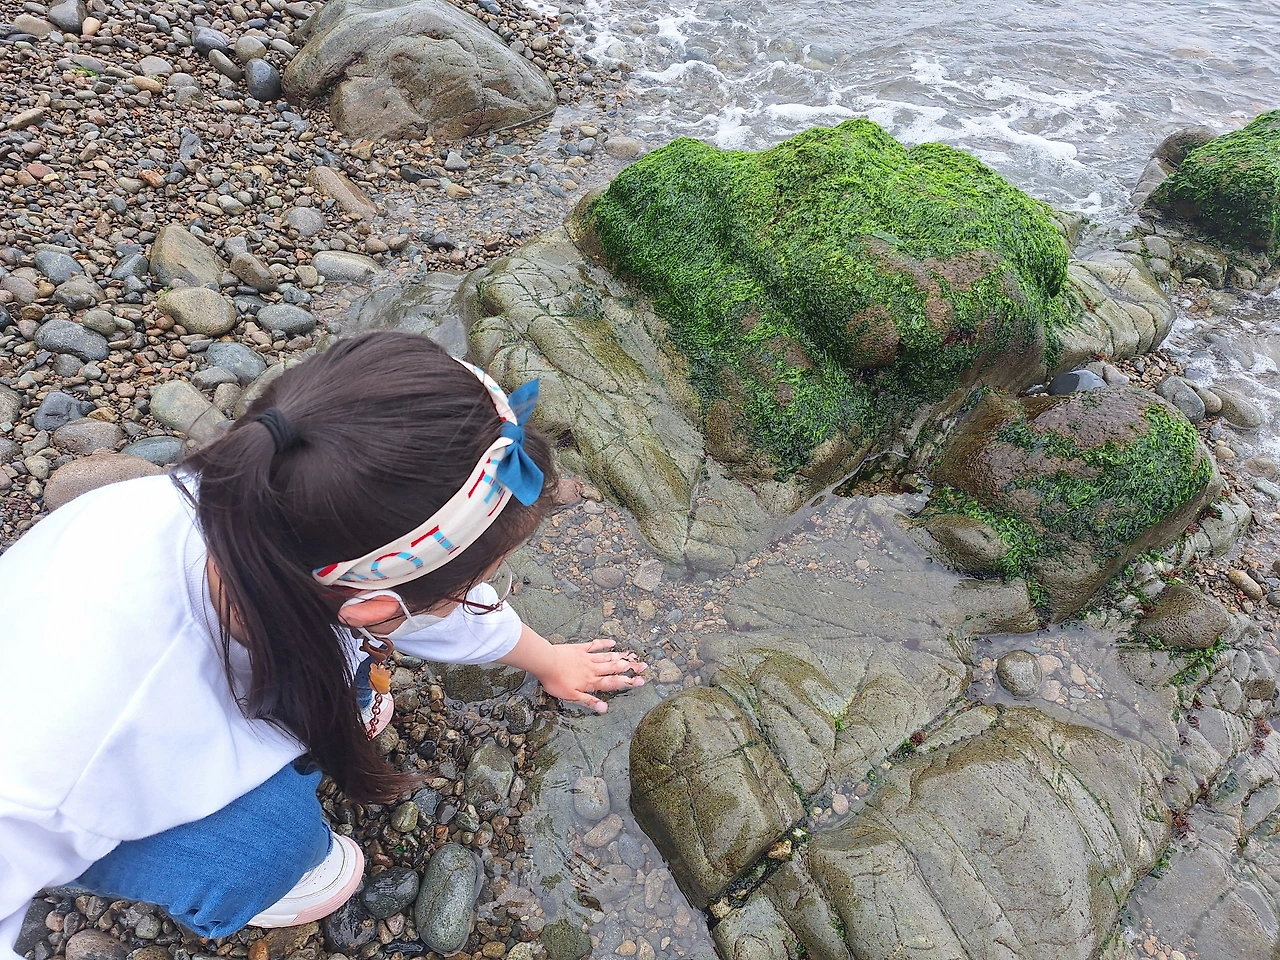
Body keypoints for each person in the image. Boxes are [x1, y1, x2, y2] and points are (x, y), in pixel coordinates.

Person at [0, 333, 647, 957]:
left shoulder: (269, 502)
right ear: (375, 606)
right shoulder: (66, 762)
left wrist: (548, 659)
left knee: (358, 672)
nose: (478, 597)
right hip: (62, 784)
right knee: (279, 855)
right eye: (476, 586)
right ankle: (235, 875)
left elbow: (426, 611)